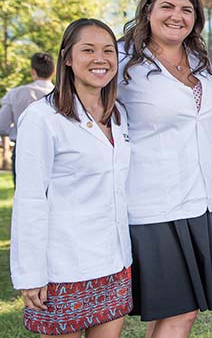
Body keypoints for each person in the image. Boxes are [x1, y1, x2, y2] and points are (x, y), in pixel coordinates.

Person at [10, 18, 132, 337]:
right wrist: (31, 273)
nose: (100, 58)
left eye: (108, 50)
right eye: (88, 49)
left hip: (115, 263)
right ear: (67, 57)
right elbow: (30, 200)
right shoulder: (41, 118)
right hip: (64, 267)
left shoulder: (118, 115)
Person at [117, 0, 212, 337]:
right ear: (147, 10)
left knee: (179, 311)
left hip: (198, 203)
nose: (176, 15)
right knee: (181, 311)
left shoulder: (202, 63)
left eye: (186, 9)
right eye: (167, 6)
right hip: (150, 206)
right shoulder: (120, 60)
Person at [0, 53, 55, 183]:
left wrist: (16, 129)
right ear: (53, 71)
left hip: (22, 149)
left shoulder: (15, 94)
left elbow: (2, 125)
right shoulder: (63, 96)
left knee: (23, 193)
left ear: (33, 72)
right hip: (56, 150)